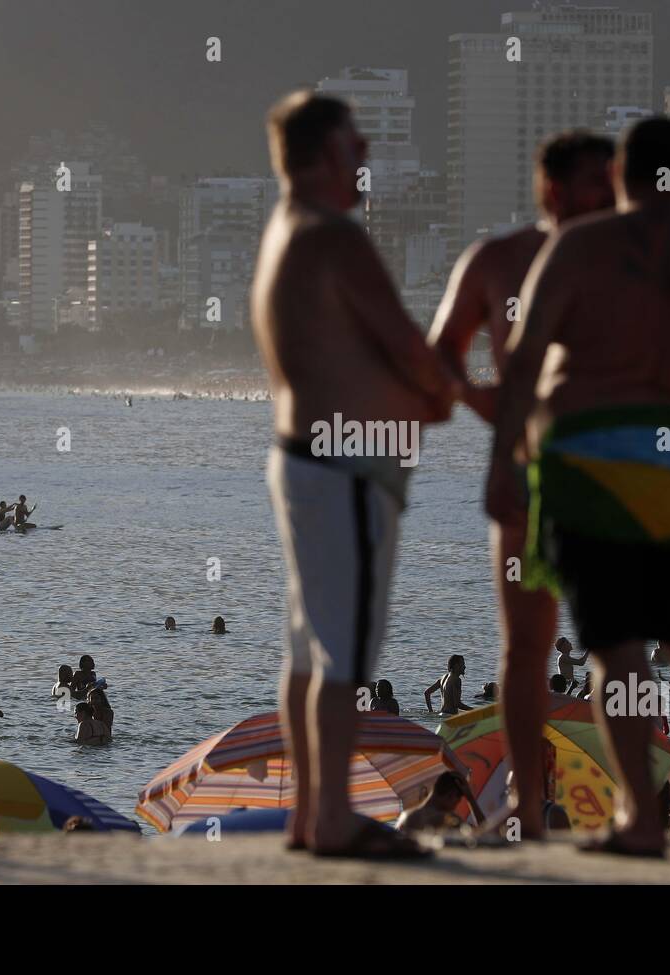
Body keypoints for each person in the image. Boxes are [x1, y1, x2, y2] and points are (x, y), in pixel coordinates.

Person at [486, 118, 670, 857]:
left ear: (619, 179)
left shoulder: (582, 248)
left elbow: (523, 361)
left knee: (614, 650)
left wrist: (499, 465)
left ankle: (640, 816)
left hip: (590, 474)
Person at [254, 91, 455, 858]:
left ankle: (311, 815)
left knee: (307, 648)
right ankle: (332, 817)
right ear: (324, 156)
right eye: (354, 144)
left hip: (307, 457)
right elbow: (410, 348)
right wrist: (443, 390)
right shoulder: (335, 237)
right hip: (343, 466)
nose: (365, 154)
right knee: (341, 653)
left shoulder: (284, 231)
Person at [430, 131, 614, 840]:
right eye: (596, 183)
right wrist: (490, 406)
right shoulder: (498, 261)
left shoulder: (624, 265)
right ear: (553, 190)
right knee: (525, 646)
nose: (609, 196)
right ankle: (530, 808)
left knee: (615, 641)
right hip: (527, 468)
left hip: (608, 467)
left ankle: (629, 803)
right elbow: (442, 354)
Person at [396, 771, 485, 834]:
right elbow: (485, 834)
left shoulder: (404, 816)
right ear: (450, 795)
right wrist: (470, 798)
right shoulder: (447, 820)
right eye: (457, 802)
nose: (454, 808)